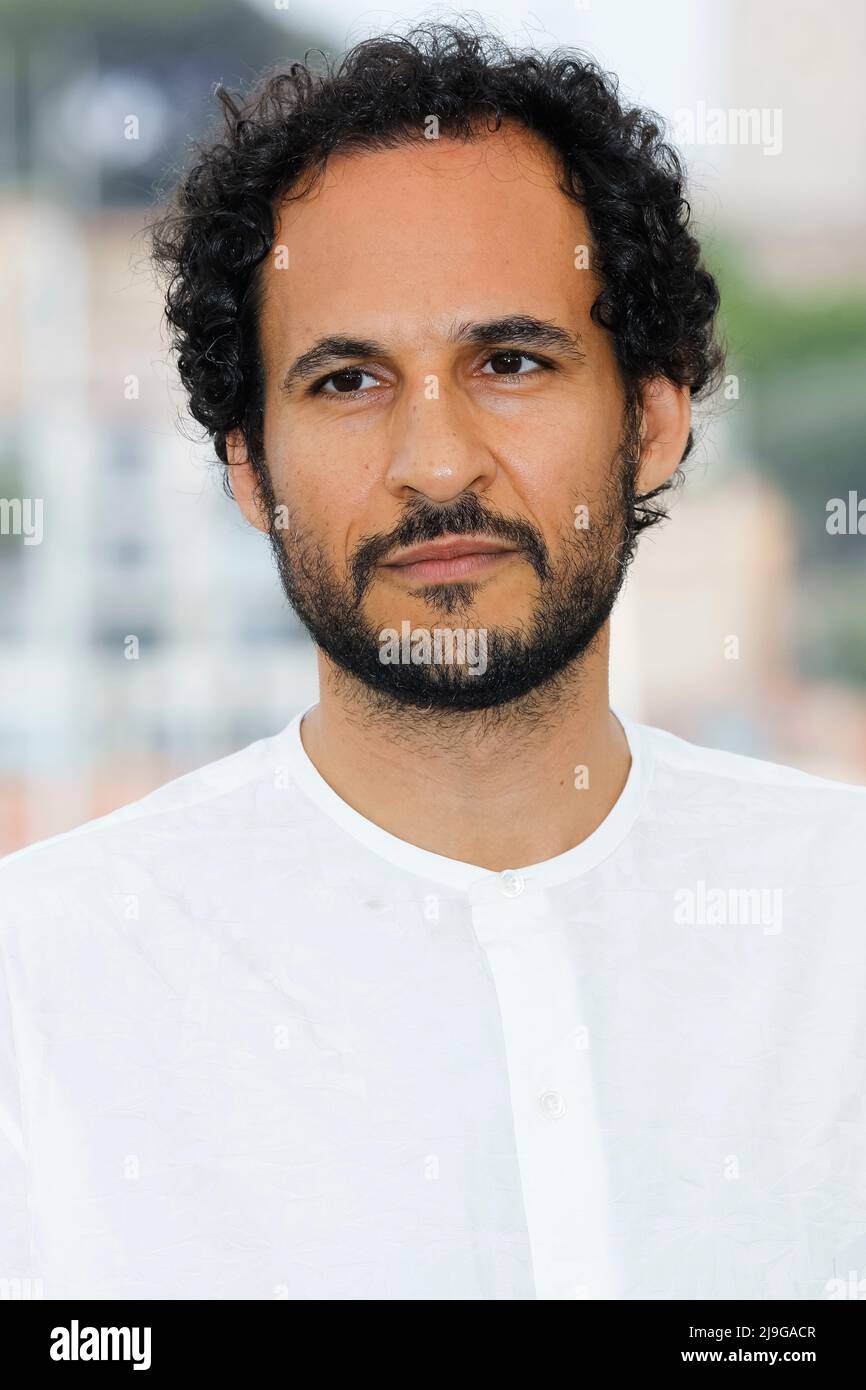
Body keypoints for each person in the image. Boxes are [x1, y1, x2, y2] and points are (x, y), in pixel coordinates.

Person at [2, 23, 864, 1302]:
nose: (436, 461)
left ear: (653, 423)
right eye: (347, 380)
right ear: (249, 467)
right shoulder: (41, 997)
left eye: (508, 364)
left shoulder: (836, 928)